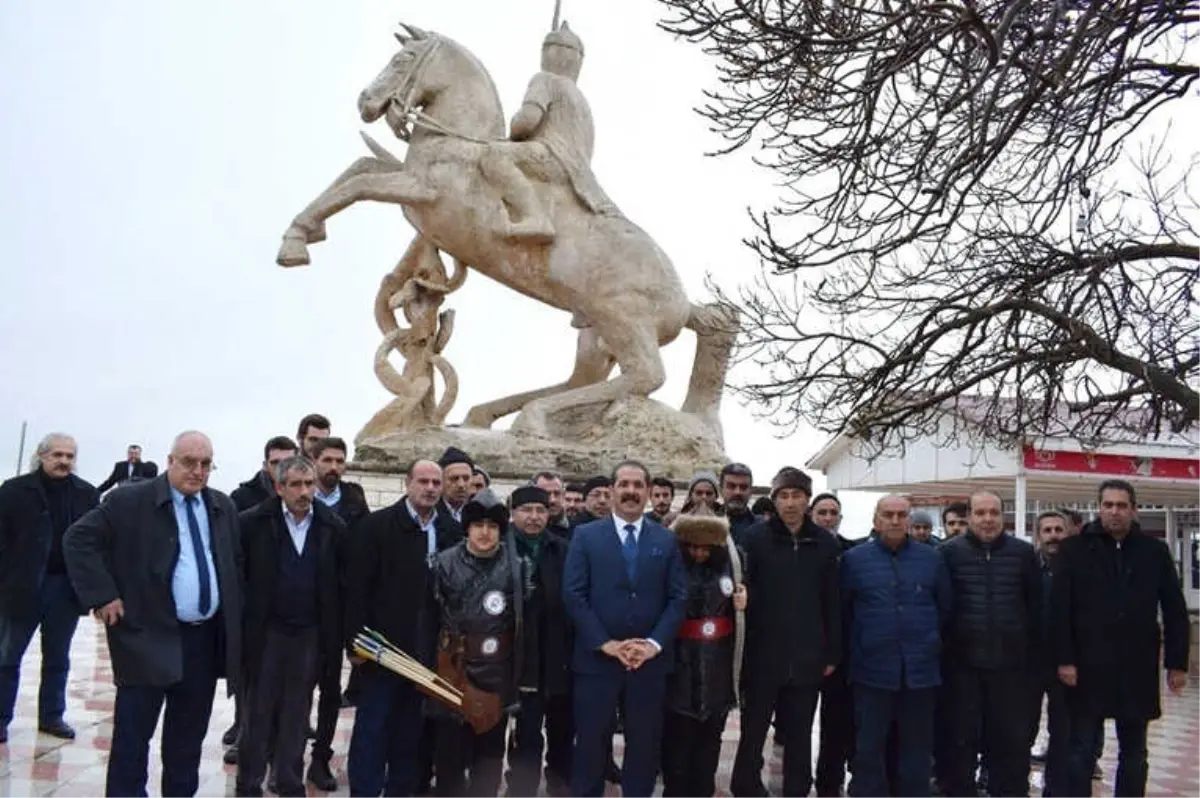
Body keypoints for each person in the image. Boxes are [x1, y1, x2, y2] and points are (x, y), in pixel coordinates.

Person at [63, 431, 243, 798]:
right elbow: (78, 540)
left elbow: (233, 564)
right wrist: (103, 595)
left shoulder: (221, 507)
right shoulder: (130, 500)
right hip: (146, 637)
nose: (198, 471)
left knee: (186, 741)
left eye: (206, 464)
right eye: (189, 462)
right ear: (170, 461)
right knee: (133, 738)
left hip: (201, 643)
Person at [1053, 479, 1190, 798]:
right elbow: (1059, 610)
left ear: (1134, 509)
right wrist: (1064, 658)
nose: (1115, 512)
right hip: (1086, 666)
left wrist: (1177, 663)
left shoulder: (1154, 552)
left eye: (1122, 505)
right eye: (1109, 505)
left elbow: (1174, 608)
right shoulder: (1073, 550)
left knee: (1135, 753)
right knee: (1081, 750)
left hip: (1136, 666)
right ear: (1099, 508)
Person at [563, 460, 687, 798]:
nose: (630, 491)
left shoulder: (666, 539)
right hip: (597, 662)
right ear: (612, 490)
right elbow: (573, 594)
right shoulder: (586, 536)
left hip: (648, 664)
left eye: (637, 485)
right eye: (624, 484)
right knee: (590, 744)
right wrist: (606, 644)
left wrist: (652, 645)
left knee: (645, 746)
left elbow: (678, 598)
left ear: (647, 491)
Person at [344, 459, 460, 797]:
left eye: (436, 483)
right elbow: (356, 589)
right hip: (382, 651)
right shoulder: (376, 527)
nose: (430, 488)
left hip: (427, 654)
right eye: (422, 481)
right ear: (406, 483)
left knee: (410, 735)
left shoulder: (452, 532)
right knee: (373, 731)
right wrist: (354, 644)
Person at [236, 456, 345, 798]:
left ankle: (289, 780)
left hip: (310, 633)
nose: (304, 492)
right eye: (295, 485)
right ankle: (249, 782)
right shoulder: (253, 523)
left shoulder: (332, 526)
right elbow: (241, 578)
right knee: (259, 710)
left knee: (297, 712)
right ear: (279, 487)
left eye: (308, 484)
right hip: (267, 632)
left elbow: (339, 583)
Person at [732, 467, 841, 798]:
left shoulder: (824, 543)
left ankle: (796, 789)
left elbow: (832, 602)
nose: (790, 503)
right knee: (753, 730)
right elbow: (741, 592)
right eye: (783, 496)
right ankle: (747, 787)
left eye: (797, 495)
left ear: (807, 500)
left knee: (799, 733)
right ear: (774, 500)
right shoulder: (755, 539)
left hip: (807, 657)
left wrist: (832, 652)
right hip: (763, 655)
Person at [842, 495, 952, 798]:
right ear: (876, 520)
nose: (894, 520)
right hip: (872, 671)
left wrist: (927, 640)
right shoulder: (854, 559)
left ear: (909, 520)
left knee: (917, 752)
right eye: (888, 514)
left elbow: (945, 608)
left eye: (901, 515)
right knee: (868, 750)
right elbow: (845, 611)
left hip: (920, 672)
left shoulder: (932, 558)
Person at [939, 490, 1041, 798]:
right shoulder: (947, 553)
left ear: (1003, 516)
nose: (987, 519)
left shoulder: (1023, 554)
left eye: (994, 513)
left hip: (1011, 669)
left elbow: (1035, 607)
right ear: (969, 517)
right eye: (980, 513)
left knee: (1010, 743)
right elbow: (941, 607)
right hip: (962, 668)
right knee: (960, 743)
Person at [0, 433, 99, 742]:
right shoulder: (14, 491)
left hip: (64, 590)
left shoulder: (86, 494)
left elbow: (95, 544)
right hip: (22, 586)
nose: (64, 461)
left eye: (70, 456)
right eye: (57, 455)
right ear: (41, 456)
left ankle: (52, 716)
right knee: (7, 656)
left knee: (58, 657)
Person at [428, 489, 521, 798]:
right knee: (450, 760)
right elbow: (428, 618)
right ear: (467, 527)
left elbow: (524, 626)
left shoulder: (518, 567)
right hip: (453, 670)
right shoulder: (442, 563)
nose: (485, 532)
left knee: (489, 760)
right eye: (478, 524)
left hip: (496, 672)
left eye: (492, 526)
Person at [662, 506, 746, 798]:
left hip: (718, 669)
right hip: (679, 669)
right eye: (693, 547)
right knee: (677, 747)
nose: (699, 553)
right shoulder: (670, 569)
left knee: (710, 744)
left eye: (706, 547)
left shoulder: (732, 567)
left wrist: (745, 602)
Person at [505, 485, 574, 798]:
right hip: (519, 660)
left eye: (540, 510)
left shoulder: (563, 549)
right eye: (526, 510)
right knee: (525, 733)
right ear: (513, 512)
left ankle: (559, 782)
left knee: (562, 729)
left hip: (558, 655)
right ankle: (521, 789)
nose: (534, 517)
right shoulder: (501, 548)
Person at [809, 491, 856, 797]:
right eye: (822, 512)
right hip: (804, 646)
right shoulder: (804, 549)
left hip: (842, 650)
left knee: (837, 719)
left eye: (832, 513)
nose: (827, 518)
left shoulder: (851, 552)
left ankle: (831, 780)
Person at [1028, 511, 1072, 797]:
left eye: (1058, 529)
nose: (1053, 535)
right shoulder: (1027, 568)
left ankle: (1055, 790)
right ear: (1038, 535)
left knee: (1063, 732)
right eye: (1047, 530)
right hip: (1029, 663)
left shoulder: (1079, 568)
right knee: (1022, 728)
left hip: (1065, 663)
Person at [231, 436, 299, 512]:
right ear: (265, 466)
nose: (282, 467)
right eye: (275, 463)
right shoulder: (241, 498)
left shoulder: (309, 494)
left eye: (288, 462)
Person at [718, 462, 756, 545]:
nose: (737, 492)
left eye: (743, 487)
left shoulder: (763, 529)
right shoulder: (707, 524)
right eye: (731, 486)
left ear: (751, 491)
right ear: (721, 489)